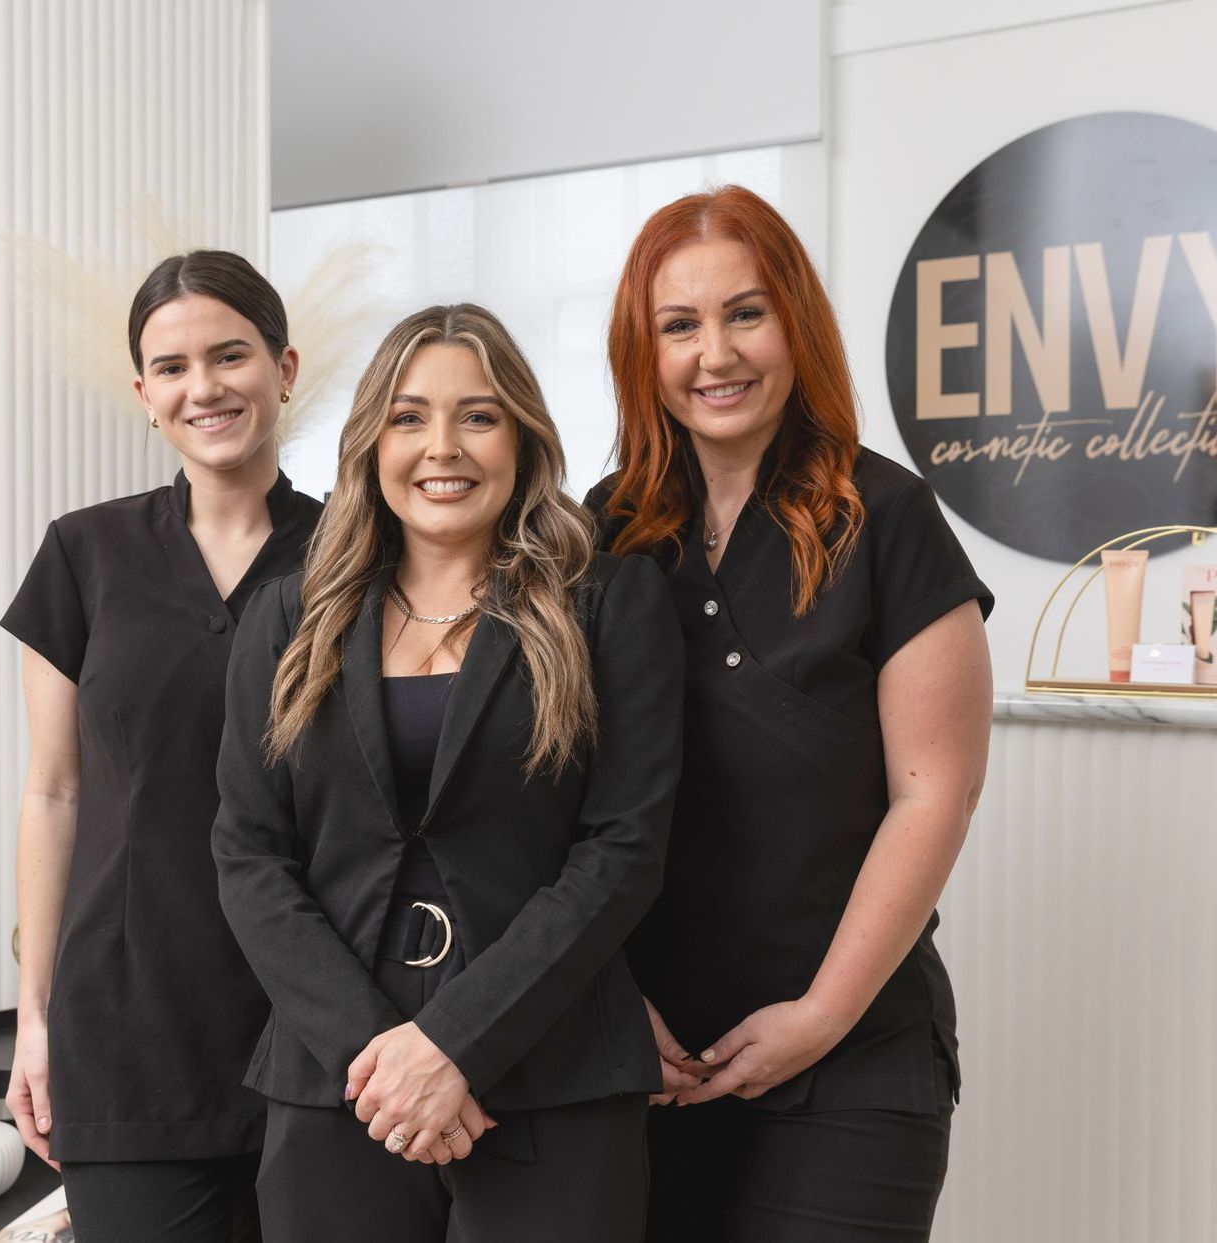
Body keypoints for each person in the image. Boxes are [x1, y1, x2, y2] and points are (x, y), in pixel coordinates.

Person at [212, 303, 682, 1242]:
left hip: (552, 1069)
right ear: (370, 442)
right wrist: (382, 1059)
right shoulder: (285, 619)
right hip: (340, 1080)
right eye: (409, 415)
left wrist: (455, 1043)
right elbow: (249, 853)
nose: (444, 447)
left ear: (522, 437)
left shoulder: (609, 602)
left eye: (479, 415)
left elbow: (622, 848)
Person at [587, 185, 994, 1242]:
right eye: (678, 325)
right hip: (642, 1058)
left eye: (744, 313)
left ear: (795, 324)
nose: (713, 353)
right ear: (643, 351)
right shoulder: (601, 530)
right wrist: (608, 1001)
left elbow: (932, 794)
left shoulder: (888, 514)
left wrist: (819, 1016)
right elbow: (549, 794)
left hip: (851, 1056)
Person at [0, 251, 323, 1242]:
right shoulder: (82, 553)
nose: (204, 387)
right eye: (172, 367)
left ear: (284, 366)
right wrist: (32, 1013)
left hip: (317, 1020)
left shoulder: (359, 555)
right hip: (127, 1022)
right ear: (143, 394)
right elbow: (54, 792)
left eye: (229, 355)